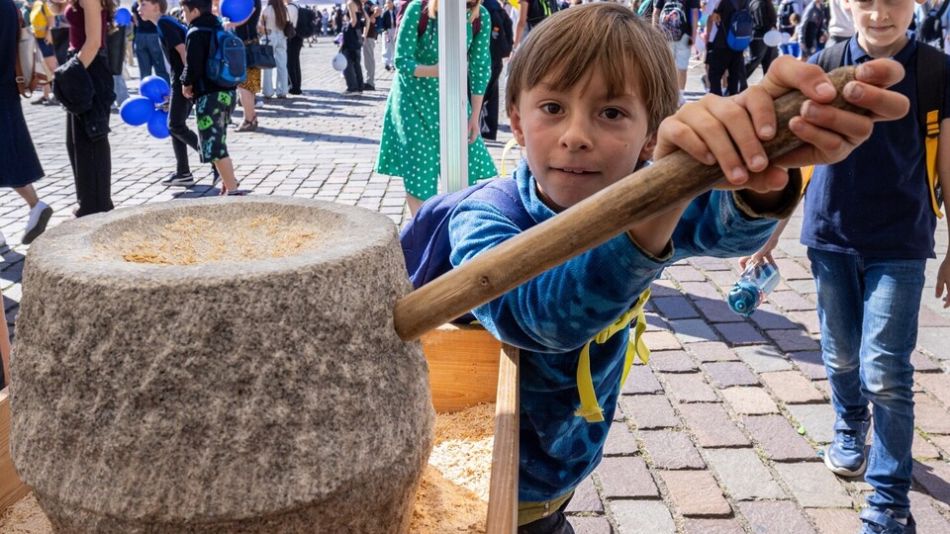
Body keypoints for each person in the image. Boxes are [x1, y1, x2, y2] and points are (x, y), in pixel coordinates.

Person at [433, 5, 906, 532]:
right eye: (552, 107)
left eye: (611, 113)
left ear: (652, 135)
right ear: (517, 121)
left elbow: (725, 225)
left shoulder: (641, 189)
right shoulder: (485, 217)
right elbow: (542, 317)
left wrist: (758, 162)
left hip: (561, 482)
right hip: (478, 497)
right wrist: (658, 203)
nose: (575, 135)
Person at [742, 0, 950, 532]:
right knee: (839, 356)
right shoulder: (824, 62)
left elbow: (947, 161)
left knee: (887, 371)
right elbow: (796, 159)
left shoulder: (935, 69)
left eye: (894, 1)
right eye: (867, 1)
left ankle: (888, 501)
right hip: (830, 234)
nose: (880, 13)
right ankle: (849, 422)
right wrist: (769, 236)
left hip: (902, 239)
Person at [376, 0, 498, 215]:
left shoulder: (480, 16)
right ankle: (424, 234)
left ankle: (457, 228)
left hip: (452, 99)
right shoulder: (418, 9)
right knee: (420, 173)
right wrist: (441, 70)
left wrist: (475, 117)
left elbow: (480, 68)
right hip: (411, 100)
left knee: (465, 169)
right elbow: (402, 61)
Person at [138, 0, 210, 187]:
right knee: (175, 125)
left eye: (143, 4)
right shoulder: (167, 22)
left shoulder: (164, 23)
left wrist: (188, 80)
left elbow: (184, 51)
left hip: (183, 80)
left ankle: (215, 160)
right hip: (180, 80)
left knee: (175, 126)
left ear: (156, 6)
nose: (139, 9)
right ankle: (183, 172)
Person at [2, 0, 53, 245]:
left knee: (8, 156)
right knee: (8, 152)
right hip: (9, 85)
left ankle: (36, 204)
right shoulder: (10, 6)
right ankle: (35, 205)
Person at [180, 0, 244, 195]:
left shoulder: (196, 32)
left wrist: (185, 83)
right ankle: (229, 181)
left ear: (195, 11)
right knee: (217, 141)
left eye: (184, 11)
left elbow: (193, 66)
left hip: (210, 96)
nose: (183, 15)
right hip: (228, 92)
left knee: (213, 145)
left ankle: (233, 188)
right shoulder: (220, 27)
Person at [61, 0, 115, 216]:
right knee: (75, 143)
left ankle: (96, 206)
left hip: (88, 67)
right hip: (80, 64)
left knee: (90, 141)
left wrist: (69, 74)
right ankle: (89, 202)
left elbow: (93, 42)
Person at [653, 0, 700, 100]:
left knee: (666, 67)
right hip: (685, 35)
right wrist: (694, 36)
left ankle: (666, 95)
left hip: (665, 35)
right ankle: (679, 97)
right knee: (682, 67)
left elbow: (656, 12)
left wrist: (654, 35)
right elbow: (695, 14)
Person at [480, 0, 513, 140]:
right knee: (492, 97)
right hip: (496, 59)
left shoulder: (483, 9)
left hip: (484, 58)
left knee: (478, 94)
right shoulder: (496, 7)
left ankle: (475, 131)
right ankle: (489, 132)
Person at [706, 0, 749, 95]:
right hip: (739, 42)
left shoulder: (725, 2)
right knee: (734, 76)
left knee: (714, 74)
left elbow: (715, 18)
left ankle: (717, 101)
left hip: (723, 42)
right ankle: (733, 101)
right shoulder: (745, 2)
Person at [232, 0, 261, 131]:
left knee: (244, 86)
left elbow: (246, 17)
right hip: (251, 44)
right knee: (249, 86)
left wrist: (230, 24)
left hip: (246, 45)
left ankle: (248, 120)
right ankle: (251, 117)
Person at [259, 0, 294, 99]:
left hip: (270, 36)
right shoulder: (284, 9)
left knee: (267, 65)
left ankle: (268, 91)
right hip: (282, 37)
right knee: (282, 65)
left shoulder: (267, 9)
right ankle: (282, 91)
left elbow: (261, 25)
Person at [29, 0, 60, 105]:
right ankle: (46, 95)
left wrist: (49, 34)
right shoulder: (37, 3)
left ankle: (58, 95)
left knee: (52, 68)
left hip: (45, 39)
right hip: (37, 39)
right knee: (43, 69)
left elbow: (51, 20)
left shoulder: (46, 3)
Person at [131, 0, 169, 81]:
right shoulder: (152, 2)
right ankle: (166, 90)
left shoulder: (136, 4)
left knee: (144, 71)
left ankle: (145, 90)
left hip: (140, 35)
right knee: (161, 69)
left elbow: (136, 22)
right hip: (154, 34)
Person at [743, 0, 777, 79]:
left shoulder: (762, 2)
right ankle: (737, 82)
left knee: (769, 64)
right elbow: (760, 22)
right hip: (761, 37)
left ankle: (769, 86)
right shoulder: (759, 3)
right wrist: (771, 28)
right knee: (754, 62)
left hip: (766, 37)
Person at [340, 0, 364, 94]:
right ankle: (359, 86)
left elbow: (353, 21)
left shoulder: (350, 3)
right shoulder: (358, 3)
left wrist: (345, 28)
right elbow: (366, 18)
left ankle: (352, 87)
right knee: (356, 62)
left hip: (351, 35)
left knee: (348, 62)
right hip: (357, 34)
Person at [285, 0, 303, 94]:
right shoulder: (296, 5)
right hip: (298, 36)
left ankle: (294, 87)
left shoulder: (290, 7)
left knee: (291, 63)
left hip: (292, 36)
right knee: (296, 62)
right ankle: (297, 85)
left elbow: (288, 22)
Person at [362, 0, 379, 91]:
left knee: (369, 59)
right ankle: (369, 81)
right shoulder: (366, 4)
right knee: (368, 59)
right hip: (368, 35)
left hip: (369, 35)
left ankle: (370, 83)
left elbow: (378, 9)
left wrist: (371, 17)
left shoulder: (369, 4)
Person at [380, 0, 396, 70]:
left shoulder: (395, 11)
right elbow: (381, 23)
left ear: (392, 3)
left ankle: (393, 63)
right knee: (387, 47)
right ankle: (387, 63)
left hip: (395, 30)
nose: (387, 4)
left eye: (389, 2)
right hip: (387, 30)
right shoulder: (385, 12)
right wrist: (384, 30)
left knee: (394, 46)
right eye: (386, 3)